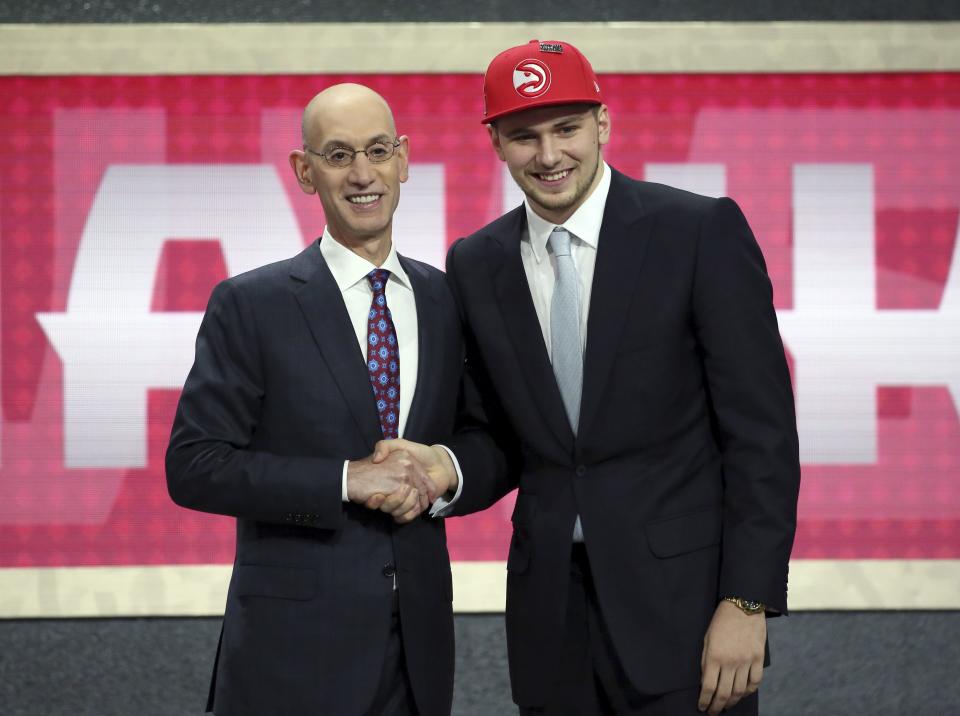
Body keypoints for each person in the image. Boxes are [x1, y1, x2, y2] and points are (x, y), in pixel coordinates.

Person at [375, 40, 801, 715]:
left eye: (566, 128)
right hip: (551, 626)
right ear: (495, 143)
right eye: (524, 136)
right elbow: (500, 436)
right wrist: (445, 468)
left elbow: (762, 437)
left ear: (602, 123)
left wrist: (746, 602)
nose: (548, 156)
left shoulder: (697, 232)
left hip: (686, 619)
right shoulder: (477, 263)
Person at [165, 83, 463, 716]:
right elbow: (194, 465)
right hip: (289, 657)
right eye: (337, 154)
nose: (363, 174)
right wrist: (344, 480)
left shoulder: (448, 300)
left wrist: (448, 468)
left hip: (418, 651)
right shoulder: (253, 304)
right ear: (305, 171)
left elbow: (493, 440)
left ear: (403, 159)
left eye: (378, 150)